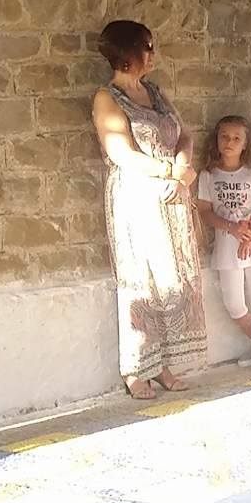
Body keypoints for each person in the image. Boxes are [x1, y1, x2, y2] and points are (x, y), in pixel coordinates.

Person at [90, 20, 205, 400]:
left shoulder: (154, 92)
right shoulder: (108, 97)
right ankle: (136, 367)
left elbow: (183, 134)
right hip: (138, 198)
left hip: (171, 195)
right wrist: (169, 171)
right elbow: (120, 152)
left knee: (171, 278)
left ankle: (163, 364)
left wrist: (183, 167)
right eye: (147, 47)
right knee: (142, 280)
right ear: (128, 53)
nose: (152, 54)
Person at [196, 115, 251, 372]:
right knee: (234, 303)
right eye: (225, 137)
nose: (229, 142)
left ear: (244, 144)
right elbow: (205, 211)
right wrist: (232, 228)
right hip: (227, 244)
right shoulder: (208, 175)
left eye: (236, 138)